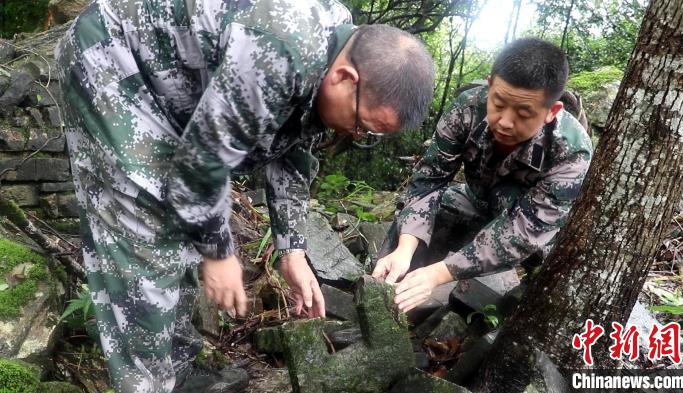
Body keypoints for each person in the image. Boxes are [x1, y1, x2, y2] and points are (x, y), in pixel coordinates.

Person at [54, 0, 435, 391]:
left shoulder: (338, 44)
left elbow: (290, 152)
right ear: (344, 77)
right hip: (113, 62)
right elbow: (201, 164)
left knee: (187, 231)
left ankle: (179, 372)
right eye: (361, 124)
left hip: (173, 100)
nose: (356, 135)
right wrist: (219, 254)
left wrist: (293, 251)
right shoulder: (280, 47)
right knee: (145, 237)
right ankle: (146, 383)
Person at [372, 37, 592, 313]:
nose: (505, 122)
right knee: (423, 218)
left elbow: (522, 233)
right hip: (477, 201)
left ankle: (510, 322)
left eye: (524, 113)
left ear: (552, 112)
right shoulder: (467, 108)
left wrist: (438, 274)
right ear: (490, 86)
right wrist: (406, 247)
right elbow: (430, 180)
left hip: (535, 231)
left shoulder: (571, 150)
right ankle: (385, 296)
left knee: (554, 271)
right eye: (498, 104)